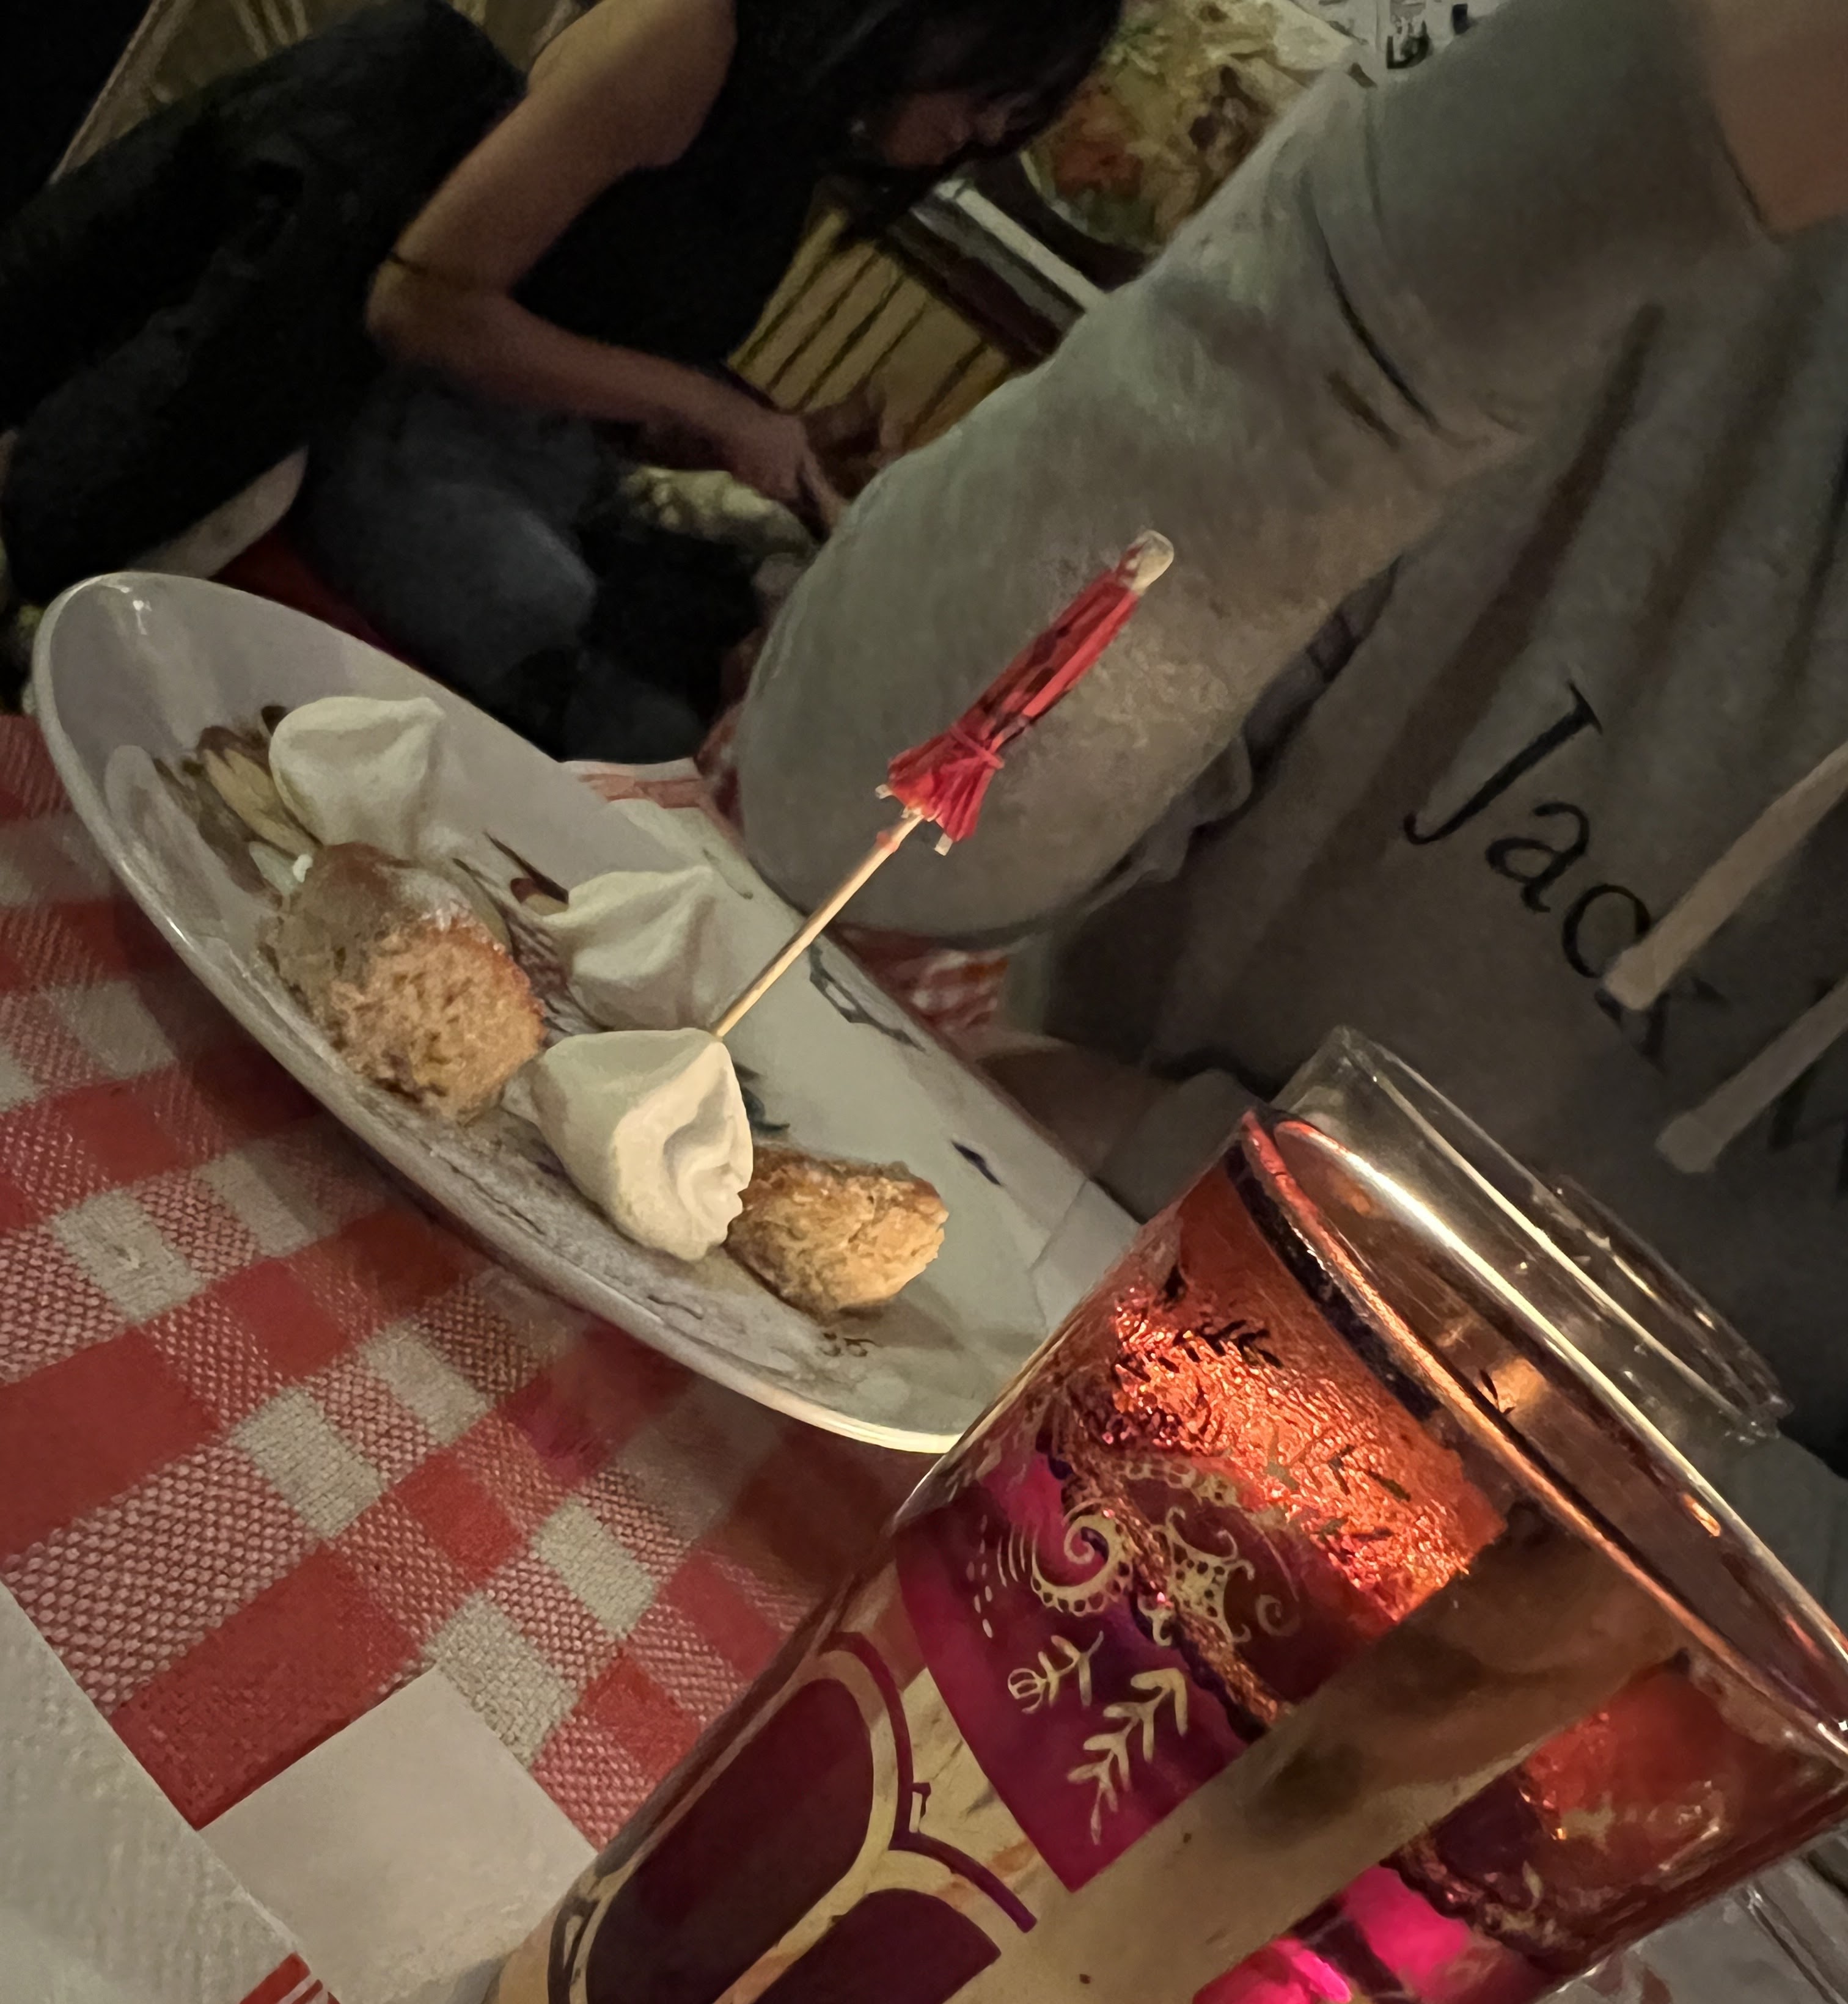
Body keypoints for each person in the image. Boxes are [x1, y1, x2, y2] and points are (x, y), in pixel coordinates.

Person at [733, 0, 1848, 1585]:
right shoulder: (1658, 155)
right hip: (967, 1417)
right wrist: (1578, 161)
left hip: (1591, 1702)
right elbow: (849, 811)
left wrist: (1196, 1168)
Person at [0, 0, 1116, 750]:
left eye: (1015, 117)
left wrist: (781, 438)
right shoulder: (688, 34)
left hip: (523, 447)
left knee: (721, 641)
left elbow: (606, 326)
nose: (982, 132)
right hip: (396, 420)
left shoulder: (793, 120)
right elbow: (420, 302)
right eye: (994, 91)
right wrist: (708, 406)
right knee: (615, 692)